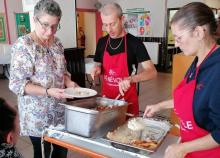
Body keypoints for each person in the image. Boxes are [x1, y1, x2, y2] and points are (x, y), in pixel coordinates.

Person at [144, 2, 220, 158]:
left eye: (179, 38)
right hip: (190, 146)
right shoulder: (199, 59)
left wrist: (183, 148)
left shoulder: (217, 70)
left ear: (199, 32)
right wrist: (159, 106)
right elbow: (192, 99)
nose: (176, 44)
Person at [9, 0, 78, 158]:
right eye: (45, 25)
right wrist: (47, 91)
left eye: (54, 26)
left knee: (62, 151)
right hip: (37, 116)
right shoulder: (24, 45)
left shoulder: (57, 43)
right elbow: (17, 84)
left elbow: (63, 71)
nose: (50, 31)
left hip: (60, 111)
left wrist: (69, 82)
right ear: (35, 19)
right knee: (43, 153)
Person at [91, 2, 157, 116]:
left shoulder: (135, 43)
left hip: (127, 103)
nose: (109, 29)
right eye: (105, 25)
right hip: (106, 103)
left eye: (112, 24)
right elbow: (98, 64)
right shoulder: (102, 42)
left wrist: (131, 79)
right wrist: (97, 69)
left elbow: (152, 72)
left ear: (122, 19)